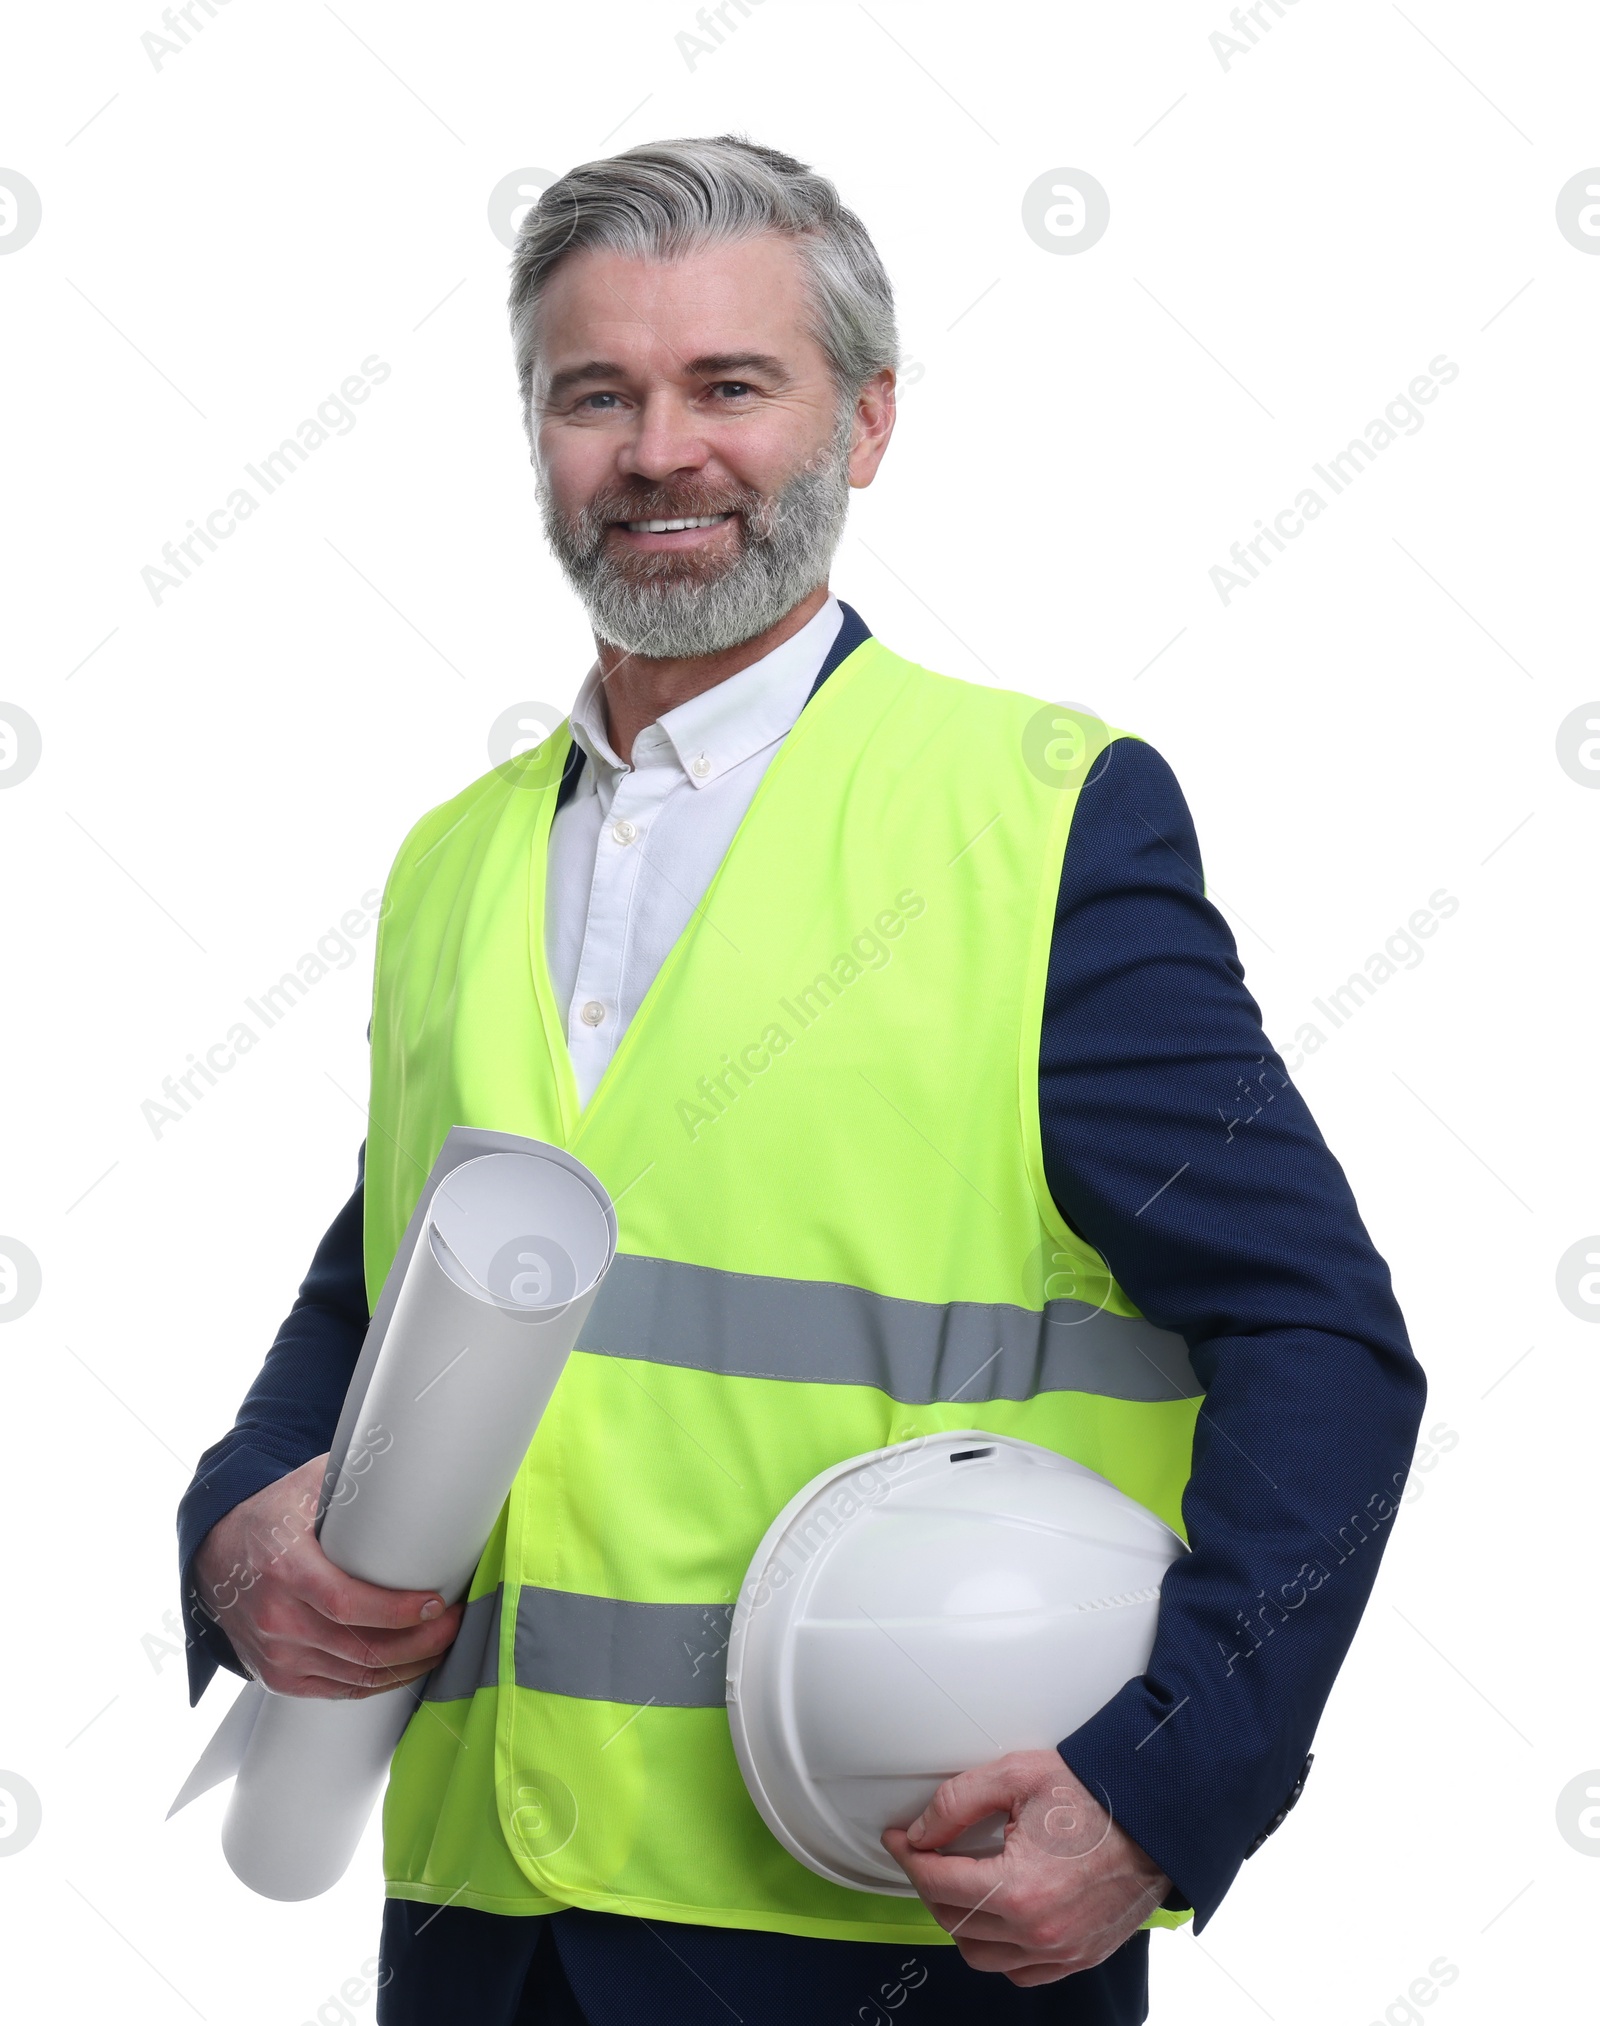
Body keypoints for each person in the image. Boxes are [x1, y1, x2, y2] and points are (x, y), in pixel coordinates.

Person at [177, 135, 1426, 2025]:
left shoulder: (1039, 823)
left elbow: (1318, 1335)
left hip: (891, 1934)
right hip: (479, 1937)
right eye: (598, 393)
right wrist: (233, 1522)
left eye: (730, 386)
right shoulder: (457, 858)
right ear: (538, 434)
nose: (660, 451)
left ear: (869, 420)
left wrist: (1164, 1786)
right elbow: (382, 1281)